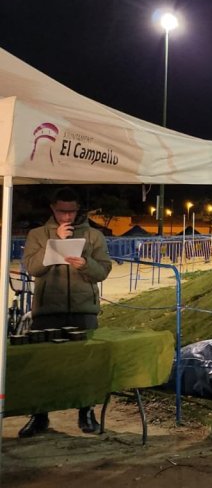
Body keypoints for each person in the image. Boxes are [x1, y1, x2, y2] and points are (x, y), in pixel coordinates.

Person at [19, 187, 112, 438]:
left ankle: (86, 412)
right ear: (53, 209)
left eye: (71, 211)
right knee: (44, 365)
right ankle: (39, 416)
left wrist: (86, 265)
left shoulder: (93, 235)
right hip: (47, 310)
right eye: (62, 211)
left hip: (84, 309)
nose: (67, 217)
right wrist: (56, 243)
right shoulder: (37, 234)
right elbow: (33, 268)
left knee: (87, 364)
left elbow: (103, 270)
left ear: (78, 209)